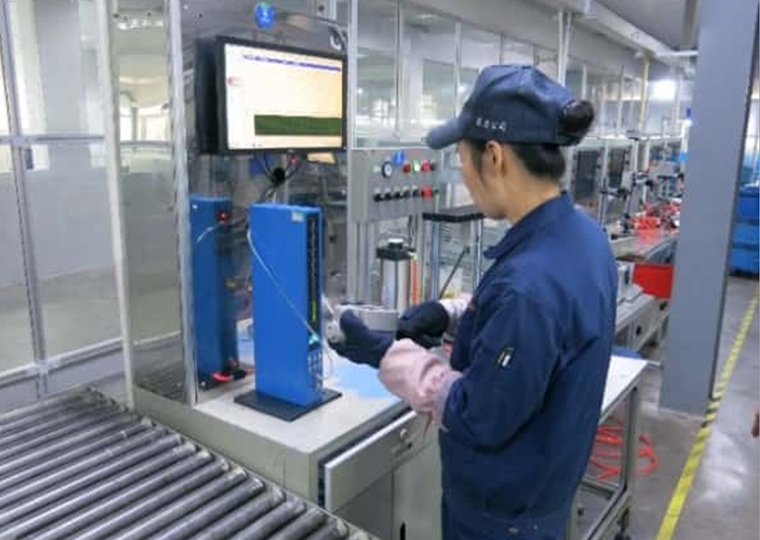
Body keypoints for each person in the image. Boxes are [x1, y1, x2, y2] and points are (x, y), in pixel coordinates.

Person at [334, 65, 617, 540]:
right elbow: (530, 323)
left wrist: (387, 355)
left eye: (462, 158)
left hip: (500, 518)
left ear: (494, 155)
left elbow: (475, 413)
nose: (463, 174)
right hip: (541, 497)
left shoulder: (529, 285)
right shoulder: (583, 237)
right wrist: (448, 314)